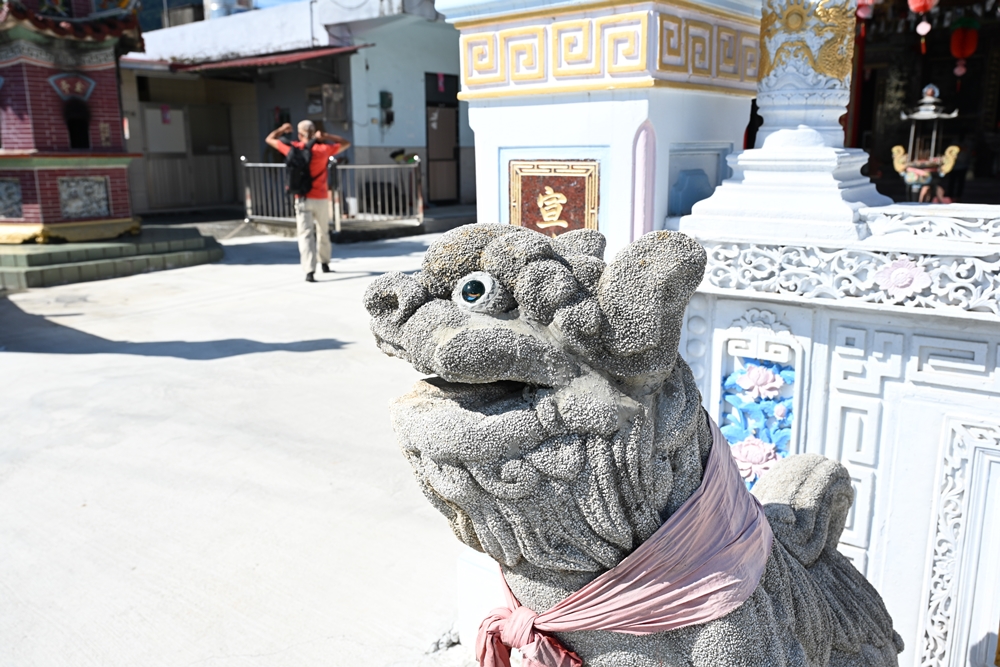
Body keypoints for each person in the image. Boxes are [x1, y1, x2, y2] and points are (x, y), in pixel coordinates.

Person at [265, 120, 351, 282]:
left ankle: (309, 271)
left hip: (302, 198)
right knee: (323, 232)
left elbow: (269, 139)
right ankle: (324, 263)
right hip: (321, 198)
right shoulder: (323, 149)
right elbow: (346, 143)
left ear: (299, 134)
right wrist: (325, 136)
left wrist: (282, 129)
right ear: (314, 132)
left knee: (305, 235)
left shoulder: (293, 148)